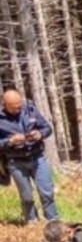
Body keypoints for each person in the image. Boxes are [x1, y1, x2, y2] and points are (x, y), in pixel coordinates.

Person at [1, 88, 59, 224]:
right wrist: (10, 141)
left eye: (19, 106)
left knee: (47, 192)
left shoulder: (30, 109)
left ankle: (53, 220)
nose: (18, 109)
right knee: (26, 196)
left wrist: (39, 134)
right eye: (14, 108)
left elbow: (47, 128)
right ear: (5, 105)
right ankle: (32, 222)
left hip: (37, 157)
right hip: (15, 162)